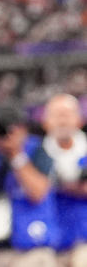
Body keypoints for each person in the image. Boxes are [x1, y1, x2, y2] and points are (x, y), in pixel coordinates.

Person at [0, 106, 60, 267]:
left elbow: (38, 192)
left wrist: (16, 154)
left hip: (34, 244)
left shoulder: (38, 149)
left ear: (23, 129)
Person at [40, 95, 87, 267]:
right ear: (45, 122)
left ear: (80, 120)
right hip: (44, 242)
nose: (62, 120)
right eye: (56, 115)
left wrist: (60, 184)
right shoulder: (34, 153)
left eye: (67, 114)